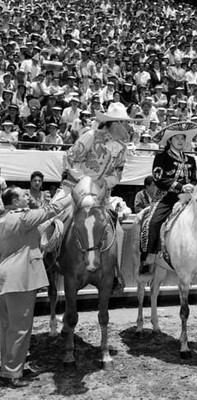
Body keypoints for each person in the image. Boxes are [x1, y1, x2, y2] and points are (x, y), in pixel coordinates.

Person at [53, 102, 133, 291]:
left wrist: (106, 183)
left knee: (118, 231)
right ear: (115, 123)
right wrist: (85, 181)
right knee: (52, 214)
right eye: (124, 122)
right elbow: (70, 158)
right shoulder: (90, 136)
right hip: (76, 187)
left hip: (102, 195)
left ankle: (114, 273)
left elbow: (118, 173)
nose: (128, 127)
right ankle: (48, 259)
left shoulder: (122, 148)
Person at [0, 186, 71, 388]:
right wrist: (70, 196)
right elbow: (51, 209)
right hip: (20, 279)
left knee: (5, 327)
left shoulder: (3, 220)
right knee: (20, 328)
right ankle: (12, 373)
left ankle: (8, 366)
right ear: (14, 202)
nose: (27, 196)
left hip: (4, 277)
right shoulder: (22, 218)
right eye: (23, 195)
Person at [139, 122, 197, 275]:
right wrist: (181, 187)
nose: (180, 140)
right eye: (176, 138)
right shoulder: (161, 157)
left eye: (182, 138)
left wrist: (191, 186)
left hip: (188, 198)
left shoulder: (191, 160)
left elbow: (195, 179)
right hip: (166, 198)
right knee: (152, 222)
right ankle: (148, 257)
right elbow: (159, 179)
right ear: (169, 141)